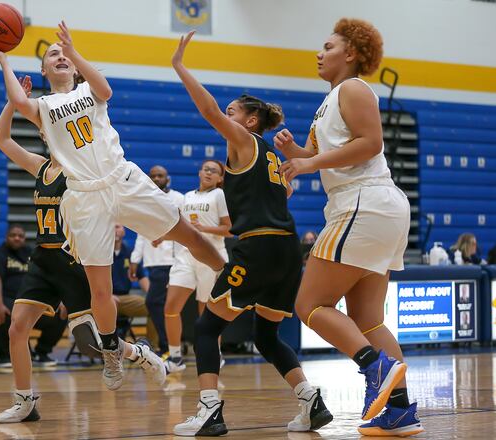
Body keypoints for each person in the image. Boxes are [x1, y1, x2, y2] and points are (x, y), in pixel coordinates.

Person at [0, 21, 224, 390]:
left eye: (64, 55)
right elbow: (17, 104)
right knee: (100, 290)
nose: (59, 57)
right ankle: (112, 351)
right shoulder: (43, 107)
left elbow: (106, 88)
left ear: (75, 66)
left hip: (122, 179)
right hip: (84, 197)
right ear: (43, 71)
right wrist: (3, 61)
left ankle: (234, 274)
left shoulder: (88, 92)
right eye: (52, 56)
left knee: (187, 235)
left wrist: (74, 50)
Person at [170, 32, 331, 436]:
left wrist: (181, 68)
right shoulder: (274, 158)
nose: (226, 116)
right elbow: (287, 191)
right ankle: (310, 402)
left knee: (206, 328)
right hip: (287, 251)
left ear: (250, 121)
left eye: (232, 112)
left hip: (258, 246)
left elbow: (207, 109)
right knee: (266, 334)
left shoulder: (244, 141)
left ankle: (209, 410)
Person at [274, 18, 423, 437]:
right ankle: (398, 411)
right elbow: (326, 153)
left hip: (364, 202)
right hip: (378, 207)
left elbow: (370, 143)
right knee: (368, 319)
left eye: (328, 46)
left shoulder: (353, 89)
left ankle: (375, 368)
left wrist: (309, 162)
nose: (319, 53)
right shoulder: (330, 101)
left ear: (351, 53)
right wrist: (295, 154)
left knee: (310, 306)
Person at [0, 78, 167, 423]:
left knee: (90, 343)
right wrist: (16, 101)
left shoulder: (82, 173)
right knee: (17, 328)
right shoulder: (40, 167)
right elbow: (1, 139)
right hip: (43, 258)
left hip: (75, 258)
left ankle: (137, 353)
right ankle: (25, 401)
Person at [163, 160, 231, 373]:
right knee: (171, 307)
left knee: (207, 310)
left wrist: (205, 228)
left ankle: (214, 354)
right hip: (186, 255)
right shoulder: (187, 197)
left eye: (214, 171)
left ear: (220, 178)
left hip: (211, 256)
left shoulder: (219, 195)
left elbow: (230, 229)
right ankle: (175, 358)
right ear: (200, 172)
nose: (209, 172)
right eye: (206, 168)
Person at [0, 224, 67, 368]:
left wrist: (59, 300)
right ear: (6, 237)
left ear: (24, 238)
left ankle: (41, 353)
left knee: (60, 313)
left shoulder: (33, 254)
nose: (17, 238)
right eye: (13, 235)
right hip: (5, 300)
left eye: (20, 236)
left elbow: (49, 277)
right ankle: (3, 355)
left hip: (29, 302)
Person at [130, 165, 184, 353]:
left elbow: (184, 232)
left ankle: (169, 345)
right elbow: (140, 232)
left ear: (167, 178)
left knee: (155, 302)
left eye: (160, 175)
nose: (156, 178)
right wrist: (135, 260)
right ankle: (172, 345)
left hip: (171, 262)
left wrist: (180, 259)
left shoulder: (178, 198)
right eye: (152, 176)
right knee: (160, 305)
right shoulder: (145, 199)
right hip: (153, 263)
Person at [112, 224, 156, 343]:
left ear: (124, 231)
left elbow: (141, 277)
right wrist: (106, 296)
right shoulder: (100, 252)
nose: (115, 231)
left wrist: (153, 295)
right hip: (105, 299)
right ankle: (104, 347)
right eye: (111, 227)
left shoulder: (130, 252)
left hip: (125, 298)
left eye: (117, 227)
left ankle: (152, 347)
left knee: (154, 306)